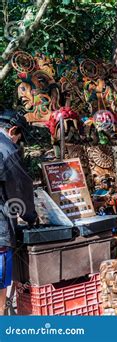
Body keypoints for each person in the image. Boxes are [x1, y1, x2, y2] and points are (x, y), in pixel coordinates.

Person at [0, 109, 37, 315]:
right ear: (13, 130)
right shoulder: (6, 149)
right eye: (18, 136)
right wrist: (30, 216)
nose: (17, 141)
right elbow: (19, 189)